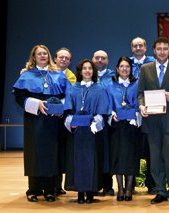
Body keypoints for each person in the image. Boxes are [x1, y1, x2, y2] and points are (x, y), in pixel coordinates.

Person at [12, 44, 70, 202]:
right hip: (35, 120)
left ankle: (50, 190)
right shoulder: (27, 75)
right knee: (34, 153)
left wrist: (61, 108)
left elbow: (68, 95)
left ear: (49, 56)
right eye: (39, 54)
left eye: (45, 53)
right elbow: (19, 96)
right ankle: (33, 189)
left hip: (53, 121)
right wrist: (35, 103)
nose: (43, 56)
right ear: (34, 57)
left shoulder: (58, 74)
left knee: (52, 153)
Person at [138, 37, 169, 205]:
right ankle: (161, 191)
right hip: (151, 121)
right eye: (159, 49)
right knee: (156, 158)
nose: (162, 52)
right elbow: (140, 93)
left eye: (165, 49)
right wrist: (141, 106)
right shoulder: (145, 69)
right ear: (154, 50)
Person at [64, 59, 110, 204]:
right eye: (85, 68)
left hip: (92, 132)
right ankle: (79, 193)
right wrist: (72, 122)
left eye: (90, 68)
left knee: (92, 161)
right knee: (77, 161)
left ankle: (90, 192)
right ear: (80, 71)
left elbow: (103, 111)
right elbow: (67, 110)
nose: (88, 71)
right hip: (77, 132)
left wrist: (94, 122)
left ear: (93, 71)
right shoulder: (73, 88)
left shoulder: (100, 88)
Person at [107, 57, 141, 201]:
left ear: (131, 68)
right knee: (118, 157)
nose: (124, 69)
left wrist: (136, 114)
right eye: (122, 66)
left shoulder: (137, 84)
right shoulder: (110, 86)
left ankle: (129, 189)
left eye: (127, 66)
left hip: (132, 126)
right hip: (117, 126)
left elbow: (141, 102)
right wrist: (111, 113)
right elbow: (108, 105)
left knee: (131, 157)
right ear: (117, 68)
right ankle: (120, 189)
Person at [130, 37, 156, 195]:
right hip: (132, 113)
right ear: (132, 48)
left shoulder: (153, 63)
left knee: (151, 150)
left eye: (141, 45)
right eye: (135, 46)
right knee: (133, 149)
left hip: (152, 112)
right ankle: (130, 184)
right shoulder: (127, 63)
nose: (138, 48)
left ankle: (151, 183)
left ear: (145, 47)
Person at [92, 50, 116, 196]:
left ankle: (108, 185)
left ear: (107, 61)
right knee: (93, 152)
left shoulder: (114, 76)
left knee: (107, 152)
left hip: (108, 120)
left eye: (103, 58)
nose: (100, 60)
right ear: (92, 59)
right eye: (97, 58)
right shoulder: (86, 74)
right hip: (90, 120)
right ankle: (93, 183)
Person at [54, 47, 76, 196]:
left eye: (67, 58)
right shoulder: (47, 73)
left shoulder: (72, 77)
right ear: (55, 58)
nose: (63, 60)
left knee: (61, 152)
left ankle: (58, 185)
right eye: (61, 57)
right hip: (47, 119)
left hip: (63, 119)